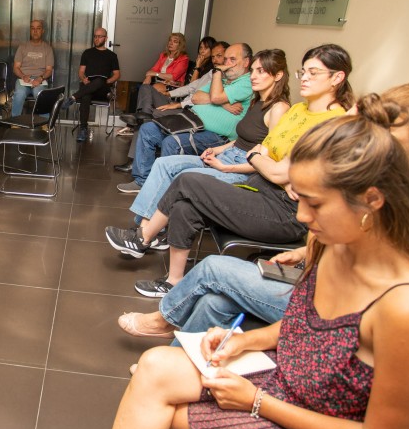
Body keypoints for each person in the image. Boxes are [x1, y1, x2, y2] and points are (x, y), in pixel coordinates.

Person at [96, 108, 409, 429]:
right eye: (298, 197)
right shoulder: (340, 245)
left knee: (159, 417)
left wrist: (258, 402)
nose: (303, 217)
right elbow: (308, 324)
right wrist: (246, 342)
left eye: (315, 203)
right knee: (155, 368)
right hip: (297, 387)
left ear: (372, 200)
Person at [117, 83, 409, 339]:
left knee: (213, 268)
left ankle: (165, 322)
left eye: (387, 128)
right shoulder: (387, 179)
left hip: (338, 310)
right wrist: (306, 252)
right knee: (215, 301)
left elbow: (379, 278)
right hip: (317, 280)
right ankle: (180, 368)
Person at [106, 44, 353, 297]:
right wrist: (265, 161)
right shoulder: (299, 111)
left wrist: (265, 162)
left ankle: (143, 237)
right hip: (258, 186)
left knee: (187, 181)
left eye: (314, 73)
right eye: (304, 72)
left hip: (283, 210)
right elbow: (264, 150)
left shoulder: (332, 123)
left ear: (337, 77)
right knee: (184, 205)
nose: (306, 78)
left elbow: (275, 169)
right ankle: (173, 281)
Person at [127, 49, 290, 224]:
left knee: (180, 174)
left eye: (261, 71)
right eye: (254, 71)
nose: (253, 77)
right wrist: (216, 150)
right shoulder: (257, 102)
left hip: (239, 167)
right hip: (227, 154)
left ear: (278, 75)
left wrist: (225, 168)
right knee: (162, 163)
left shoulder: (279, 108)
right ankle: (143, 227)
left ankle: (146, 231)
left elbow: (265, 159)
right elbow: (242, 139)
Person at [117, 43, 254, 194]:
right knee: (147, 129)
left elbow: (214, 97)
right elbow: (196, 97)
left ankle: (162, 192)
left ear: (246, 62)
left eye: (232, 60)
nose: (226, 64)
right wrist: (224, 102)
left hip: (216, 136)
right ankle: (142, 181)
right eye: (226, 59)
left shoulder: (246, 82)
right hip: (190, 121)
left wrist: (216, 83)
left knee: (171, 142)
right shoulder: (222, 80)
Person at [62, 27, 120, 143]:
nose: (96, 39)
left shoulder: (112, 55)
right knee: (86, 96)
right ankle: (83, 129)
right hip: (88, 85)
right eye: (95, 36)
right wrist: (83, 79)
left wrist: (107, 81)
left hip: (102, 87)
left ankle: (73, 97)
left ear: (105, 38)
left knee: (99, 81)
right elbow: (81, 72)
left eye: (99, 36)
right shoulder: (87, 53)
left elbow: (117, 75)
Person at [124, 32, 190, 121]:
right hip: (159, 83)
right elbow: (152, 69)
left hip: (173, 86)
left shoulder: (183, 59)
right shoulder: (163, 56)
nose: (171, 43)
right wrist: (148, 76)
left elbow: (173, 77)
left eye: (175, 41)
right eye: (170, 40)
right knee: (137, 89)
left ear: (180, 45)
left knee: (149, 89)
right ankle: (139, 116)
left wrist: (155, 74)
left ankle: (142, 116)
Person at [11, 19, 54, 116]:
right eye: (32, 28)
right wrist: (23, 76)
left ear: (42, 31)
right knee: (19, 94)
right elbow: (16, 67)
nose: (35, 31)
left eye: (38, 28)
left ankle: (44, 124)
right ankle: (15, 123)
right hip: (24, 79)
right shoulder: (22, 47)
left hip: (40, 80)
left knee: (40, 95)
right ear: (30, 31)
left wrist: (40, 78)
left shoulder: (47, 48)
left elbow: (49, 70)